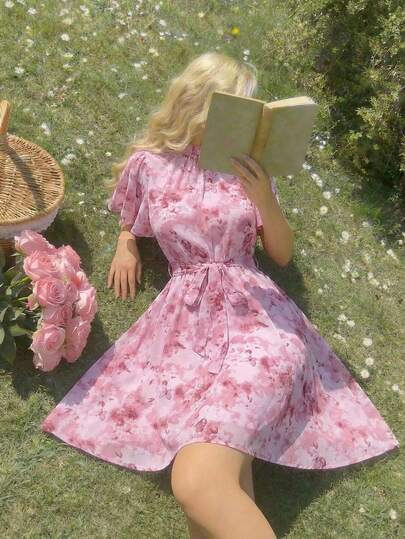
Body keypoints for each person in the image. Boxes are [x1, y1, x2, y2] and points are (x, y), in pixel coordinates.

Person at [41, 52, 399, 539]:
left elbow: (282, 253)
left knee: (197, 481)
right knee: (213, 481)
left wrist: (264, 198)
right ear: (201, 103)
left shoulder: (249, 169)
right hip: (186, 336)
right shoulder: (150, 164)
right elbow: (132, 213)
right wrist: (127, 242)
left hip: (260, 327)